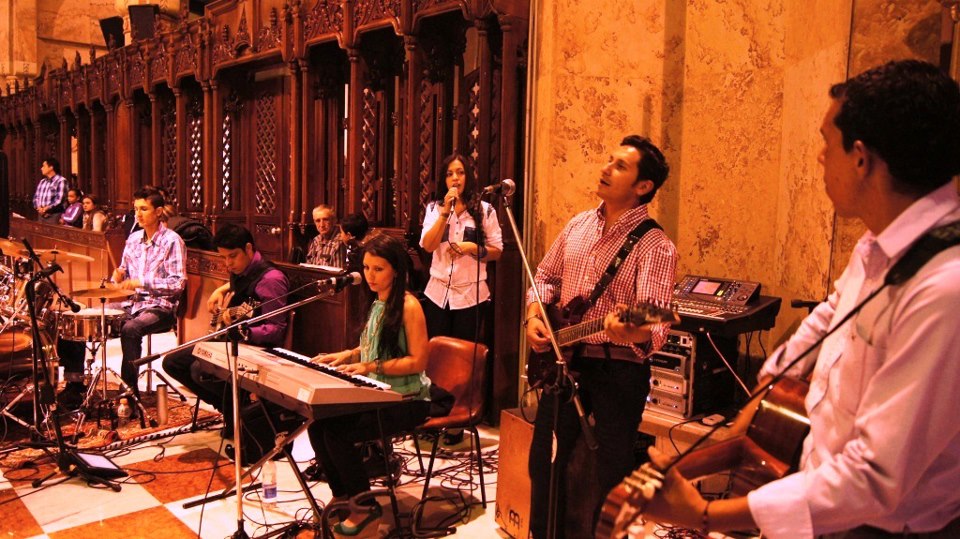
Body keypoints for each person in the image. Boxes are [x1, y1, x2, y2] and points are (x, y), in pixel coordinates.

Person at [642, 60, 960, 539]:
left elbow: (872, 478)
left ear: (861, 158)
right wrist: (769, 388)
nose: (818, 157)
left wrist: (704, 515)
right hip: (826, 499)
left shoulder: (944, 288)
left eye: (826, 142)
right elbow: (829, 318)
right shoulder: (879, 244)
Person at [524, 135, 677, 538]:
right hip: (564, 365)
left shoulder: (655, 246)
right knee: (544, 462)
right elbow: (545, 276)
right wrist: (534, 314)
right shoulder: (578, 224)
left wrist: (632, 329)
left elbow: (656, 321)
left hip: (617, 373)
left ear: (644, 186)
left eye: (620, 166)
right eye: (609, 160)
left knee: (610, 477)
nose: (606, 168)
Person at [308, 234, 432, 537]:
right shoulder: (378, 302)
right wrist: (348, 355)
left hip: (409, 400)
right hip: (379, 394)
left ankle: (365, 508)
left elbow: (418, 361)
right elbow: (374, 346)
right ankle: (345, 498)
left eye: (378, 269)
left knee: (337, 433)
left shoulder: (409, 305)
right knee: (317, 426)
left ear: (396, 270)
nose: (370, 276)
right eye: (366, 268)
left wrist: (370, 366)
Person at [57, 187, 186, 408]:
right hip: (131, 303)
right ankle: (74, 384)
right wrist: (116, 277)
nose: (138, 214)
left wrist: (142, 282)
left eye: (144, 209)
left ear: (158, 211)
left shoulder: (172, 241)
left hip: (160, 307)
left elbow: (177, 284)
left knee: (131, 329)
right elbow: (123, 271)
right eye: (136, 209)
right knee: (74, 319)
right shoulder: (133, 239)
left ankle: (129, 392)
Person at [163, 224, 288, 433]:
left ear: (249, 248)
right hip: (232, 340)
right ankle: (229, 410)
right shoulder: (243, 270)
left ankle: (241, 416)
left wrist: (246, 332)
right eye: (224, 258)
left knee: (199, 370)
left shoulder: (271, 280)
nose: (228, 264)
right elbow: (242, 287)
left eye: (233, 256)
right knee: (172, 363)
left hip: (254, 347)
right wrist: (221, 290)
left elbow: (276, 329)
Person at [419, 153, 504, 342]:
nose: (455, 178)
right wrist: (444, 214)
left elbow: (497, 251)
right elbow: (428, 246)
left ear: (468, 177)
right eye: (449, 174)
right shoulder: (434, 209)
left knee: (464, 353)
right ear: (444, 180)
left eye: (460, 172)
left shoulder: (485, 210)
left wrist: (472, 248)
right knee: (437, 352)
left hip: (471, 297)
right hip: (437, 294)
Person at [33, 157, 67, 224]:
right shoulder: (42, 181)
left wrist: (46, 209)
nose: (41, 168)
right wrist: (39, 208)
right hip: (41, 214)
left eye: (43, 166)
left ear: (51, 167)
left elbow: (59, 200)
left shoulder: (61, 181)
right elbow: (36, 197)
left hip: (54, 215)